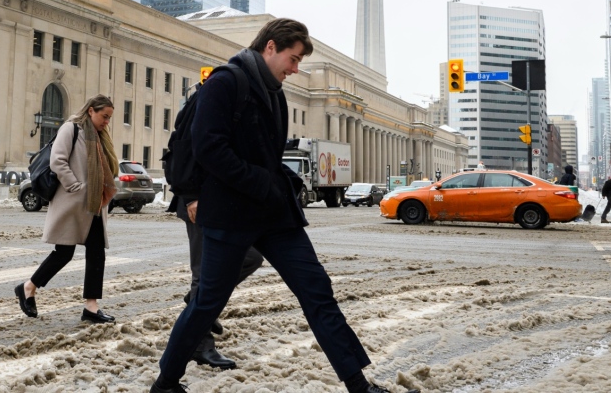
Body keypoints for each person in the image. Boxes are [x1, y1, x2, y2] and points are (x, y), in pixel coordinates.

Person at [150, 19, 418, 393]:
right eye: (292, 60)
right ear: (271, 47)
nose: (295, 70)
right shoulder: (225, 83)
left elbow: (266, 152)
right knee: (207, 303)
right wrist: (260, 182)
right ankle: (166, 381)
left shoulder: (274, 91)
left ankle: (359, 384)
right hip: (230, 215)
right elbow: (209, 149)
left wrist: (279, 183)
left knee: (317, 290)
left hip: (274, 215)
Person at [16, 94, 119, 324]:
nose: (106, 122)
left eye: (109, 118)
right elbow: (58, 160)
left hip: (93, 204)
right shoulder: (71, 129)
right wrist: (75, 186)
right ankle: (28, 287)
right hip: (72, 202)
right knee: (63, 253)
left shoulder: (100, 136)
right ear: (91, 110)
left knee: (96, 252)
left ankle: (91, 308)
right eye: (104, 116)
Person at [167, 193, 264, 370]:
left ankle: (197, 301)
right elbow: (180, 165)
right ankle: (201, 346)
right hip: (198, 205)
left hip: (224, 206)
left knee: (252, 257)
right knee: (202, 274)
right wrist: (191, 198)